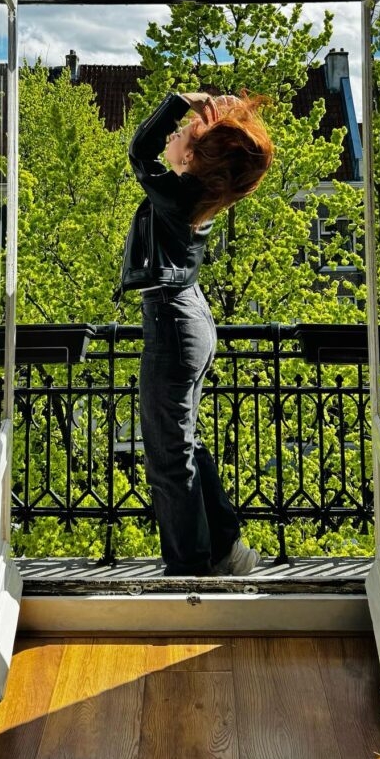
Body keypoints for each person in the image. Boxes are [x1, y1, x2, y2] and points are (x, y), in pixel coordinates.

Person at [118, 89, 275, 577]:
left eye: (180, 133)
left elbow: (138, 150)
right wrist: (206, 117)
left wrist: (179, 101)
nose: (172, 135)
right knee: (183, 443)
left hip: (172, 322)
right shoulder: (196, 196)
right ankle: (226, 547)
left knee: (168, 454)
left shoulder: (182, 193)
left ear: (188, 156)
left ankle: (191, 570)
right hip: (188, 318)